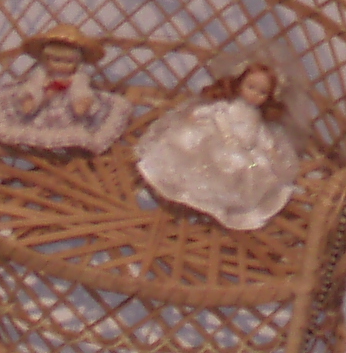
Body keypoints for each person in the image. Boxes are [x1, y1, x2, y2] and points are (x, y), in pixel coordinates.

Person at [130, 51, 308, 231]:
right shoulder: (229, 106)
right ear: (239, 84)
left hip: (244, 152)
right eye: (251, 87)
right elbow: (214, 111)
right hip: (218, 143)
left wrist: (270, 150)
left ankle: (221, 204)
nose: (254, 95)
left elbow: (261, 135)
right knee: (199, 148)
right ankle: (184, 192)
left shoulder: (258, 118)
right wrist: (197, 115)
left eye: (262, 92)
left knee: (252, 168)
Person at [0, 30, 133, 153]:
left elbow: (80, 91)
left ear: (77, 62)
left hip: (67, 110)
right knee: (24, 107)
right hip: (43, 109)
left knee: (83, 120)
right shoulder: (41, 74)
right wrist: (39, 97)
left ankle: (72, 147)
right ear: (46, 59)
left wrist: (81, 102)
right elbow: (33, 87)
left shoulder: (77, 77)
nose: (62, 66)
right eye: (56, 60)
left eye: (69, 62)